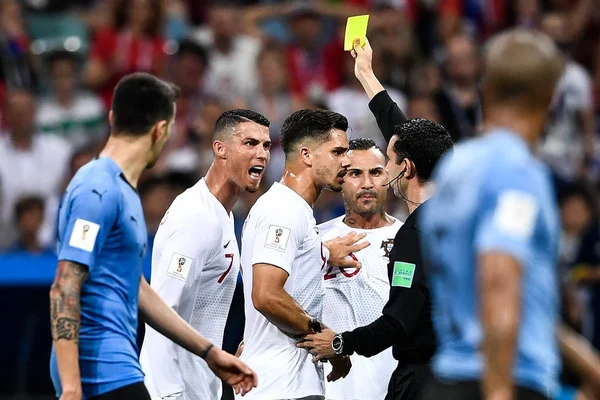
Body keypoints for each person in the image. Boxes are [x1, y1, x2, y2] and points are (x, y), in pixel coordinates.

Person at [49, 72, 257, 400]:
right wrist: (72, 385)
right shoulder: (96, 188)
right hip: (97, 370)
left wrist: (209, 352)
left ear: (113, 118)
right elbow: (64, 285)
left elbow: (140, 289)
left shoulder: (125, 191)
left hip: (121, 367)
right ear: (161, 130)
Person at [299, 38, 453, 400]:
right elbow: (415, 141)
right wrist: (367, 75)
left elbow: (399, 322)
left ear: (406, 168)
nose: (383, 169)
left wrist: (340, 341)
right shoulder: (457, 215)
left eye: (387, 160)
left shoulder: (414, 236)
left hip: (424, 382)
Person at [418, 29, 564, 400]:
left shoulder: (454, 167)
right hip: (502, 379)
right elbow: (498, 277)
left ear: (485, 89)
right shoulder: (517, 173)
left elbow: (520, 293)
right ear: (550, 98)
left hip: (447, 378)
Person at [140, 109, 271, 400]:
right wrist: (169, 393)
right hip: (172, 390)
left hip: (199, 388)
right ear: (220, 149)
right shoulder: (196, 217)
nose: (261, 153)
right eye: (250, 143)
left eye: (266, 145)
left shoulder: (221, 215)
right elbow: (162, 307)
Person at [238, 109, 363, 400]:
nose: (347, 161)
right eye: (337, 151)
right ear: (306, 155)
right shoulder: (284, 211)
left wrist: (324, 252)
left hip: (286, 383)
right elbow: (266, 295)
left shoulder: (292, 211)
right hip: (281, 385)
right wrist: (327, 338)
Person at [317, 137, 402, 400]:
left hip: (393, 385)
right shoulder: (317, 240)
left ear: (388, 176)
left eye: (375, 172)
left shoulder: (408, 239)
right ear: (341, 178)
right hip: (333, 387)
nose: (367, 184)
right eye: (355, 173)